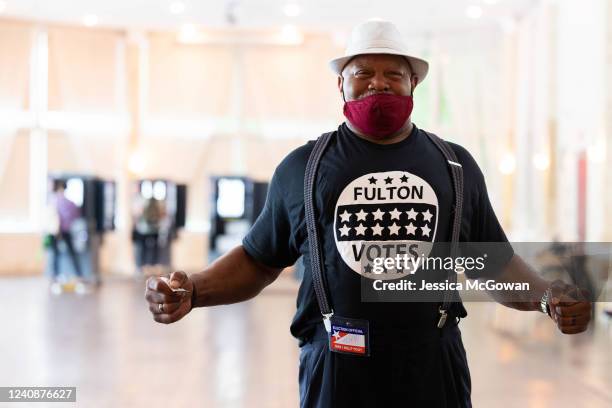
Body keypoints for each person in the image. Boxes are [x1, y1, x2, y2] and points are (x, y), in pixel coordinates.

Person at [145, 20, 592, 407]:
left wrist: (546, 297)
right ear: (340, 83)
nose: (378, 83)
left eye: (393, 74)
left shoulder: (455, 167)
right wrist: (195, 290)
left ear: (413, 84)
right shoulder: (302, 169)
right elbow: (259, 259)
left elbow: (494, 263)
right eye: (363, 73)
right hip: (338, 366)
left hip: (432, 366)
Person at [48, 180, 84, 293]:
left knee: (56, 255)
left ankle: (55, 277)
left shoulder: (53, 200)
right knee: (71, 254)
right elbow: (77, 214)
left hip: (55, 232)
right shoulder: (70, 203)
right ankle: (78, 275)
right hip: (65, 231)